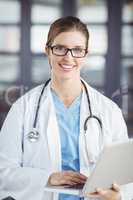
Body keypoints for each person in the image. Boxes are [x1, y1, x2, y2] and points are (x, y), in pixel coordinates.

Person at [0, 16, 129, 200]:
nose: (68, 57)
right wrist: (48, 178)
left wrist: (117, 196)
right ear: (48, 51)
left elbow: (125, 177)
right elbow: (3, 173)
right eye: (60, 48)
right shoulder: (23, 109)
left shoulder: (109, 111)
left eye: (77, 50)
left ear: (85, 54)